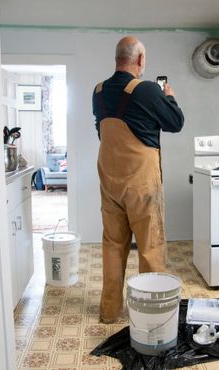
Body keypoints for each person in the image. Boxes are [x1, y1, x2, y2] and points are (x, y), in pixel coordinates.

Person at [92, 36, 184, 323]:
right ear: (140, 60)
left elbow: (101, 130)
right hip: (141, 184)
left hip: (109, 180)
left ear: (117, 57)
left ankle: (109, 312)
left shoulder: (98, 91)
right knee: (150, 247)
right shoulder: (146, 90)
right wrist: (169, 96)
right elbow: (176, 123)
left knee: (112, 245)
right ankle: (151, 315)